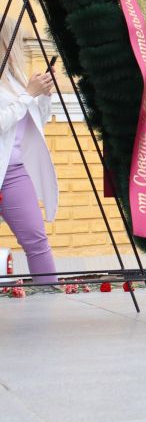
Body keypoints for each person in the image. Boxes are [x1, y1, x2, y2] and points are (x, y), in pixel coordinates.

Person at [0, 16, 59, 285]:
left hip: (13, 172)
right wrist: (27, 95)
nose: (22, 47)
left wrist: (43, 95)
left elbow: (37, 120)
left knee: (37, 241)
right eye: (18, 40)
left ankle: (47, 299)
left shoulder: (16, 78)